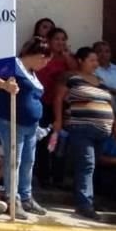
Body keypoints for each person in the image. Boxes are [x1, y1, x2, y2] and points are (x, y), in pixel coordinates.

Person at [0, 36, 51, 219]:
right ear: (39, 56)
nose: (45, 65)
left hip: (30, 125)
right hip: (11, 121)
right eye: (45, 61)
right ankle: (12, 198)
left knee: (28, 162)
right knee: (15, 161)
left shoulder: (31, 73)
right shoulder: (13, 65)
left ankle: (26, 196)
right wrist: (5, 85)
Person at [54, 46, 115, 221]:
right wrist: (58, 121)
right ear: (81, 61)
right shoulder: (71, 77)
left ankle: (89, 199)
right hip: (82, 128)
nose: (96, 63)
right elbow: (58, 98)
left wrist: (114, 125)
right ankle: (84, 204)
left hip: (103, 130)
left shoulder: (99, 80)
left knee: (93, 165)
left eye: (97, 60)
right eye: (92, 60)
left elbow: (109, 104)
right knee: (86, 164)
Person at [35, 27, 77, 187]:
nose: (60, 42)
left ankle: (57, 176)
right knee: (42, 140)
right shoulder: (42, 56)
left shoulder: (67, 59)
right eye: (57, 39)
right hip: (42, 103)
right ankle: (43, 175)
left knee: (57, 141)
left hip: (60, 107)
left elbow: (75, 72)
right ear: (49, 41)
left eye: (63, 39)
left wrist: (66, 55)